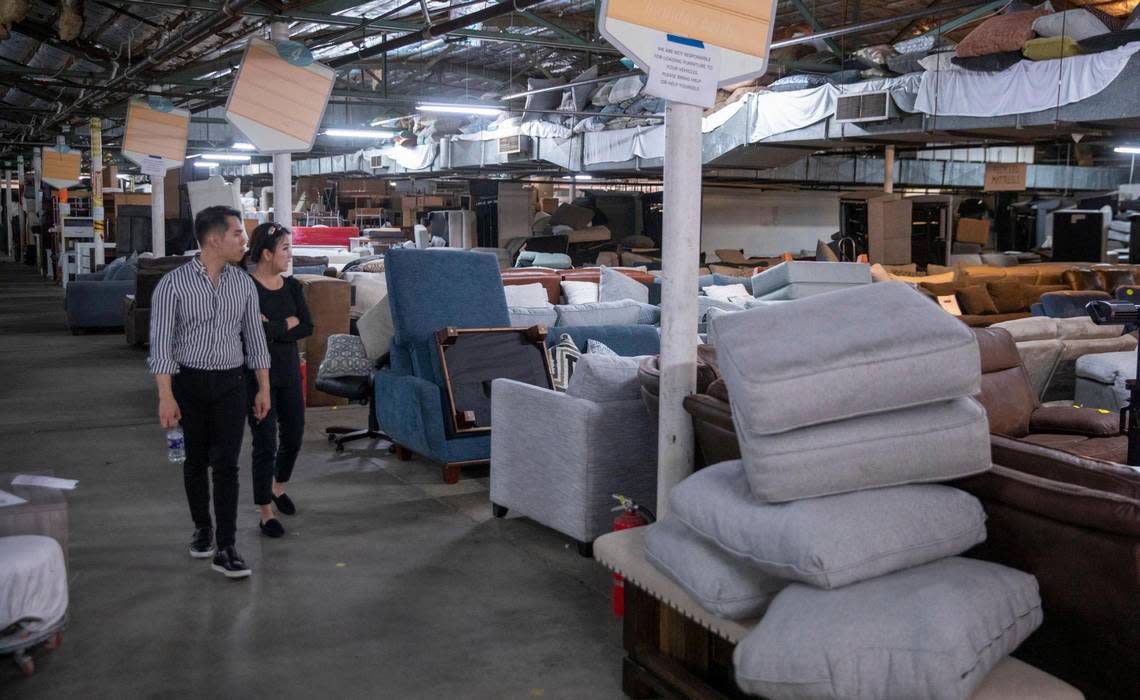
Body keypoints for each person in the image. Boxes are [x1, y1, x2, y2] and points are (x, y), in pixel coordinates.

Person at [149, 205, 271, 580]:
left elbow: (254, 339)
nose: (244, 241)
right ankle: (203, 527)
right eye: (238, 233)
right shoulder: (173, 285)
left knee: (228, 465)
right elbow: (161, 345)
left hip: (232, 384)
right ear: (214, 239)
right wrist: (165, 396)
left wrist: (263, 386)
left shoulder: (243, 284)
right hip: (189, 385)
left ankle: (227, 545)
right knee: (194, 461)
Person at [244, 223, 312, 538]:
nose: (289, 255)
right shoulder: (245, 288)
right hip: (256, 378)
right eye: (285, 248)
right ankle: (265, 512)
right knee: (265, 443)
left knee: (294, 436)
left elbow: (306, 326)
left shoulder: (293, 287)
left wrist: (271, 327)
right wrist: (286, 324)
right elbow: (247, 335)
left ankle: (277, 486)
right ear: (267, 253)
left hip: (288, 372)